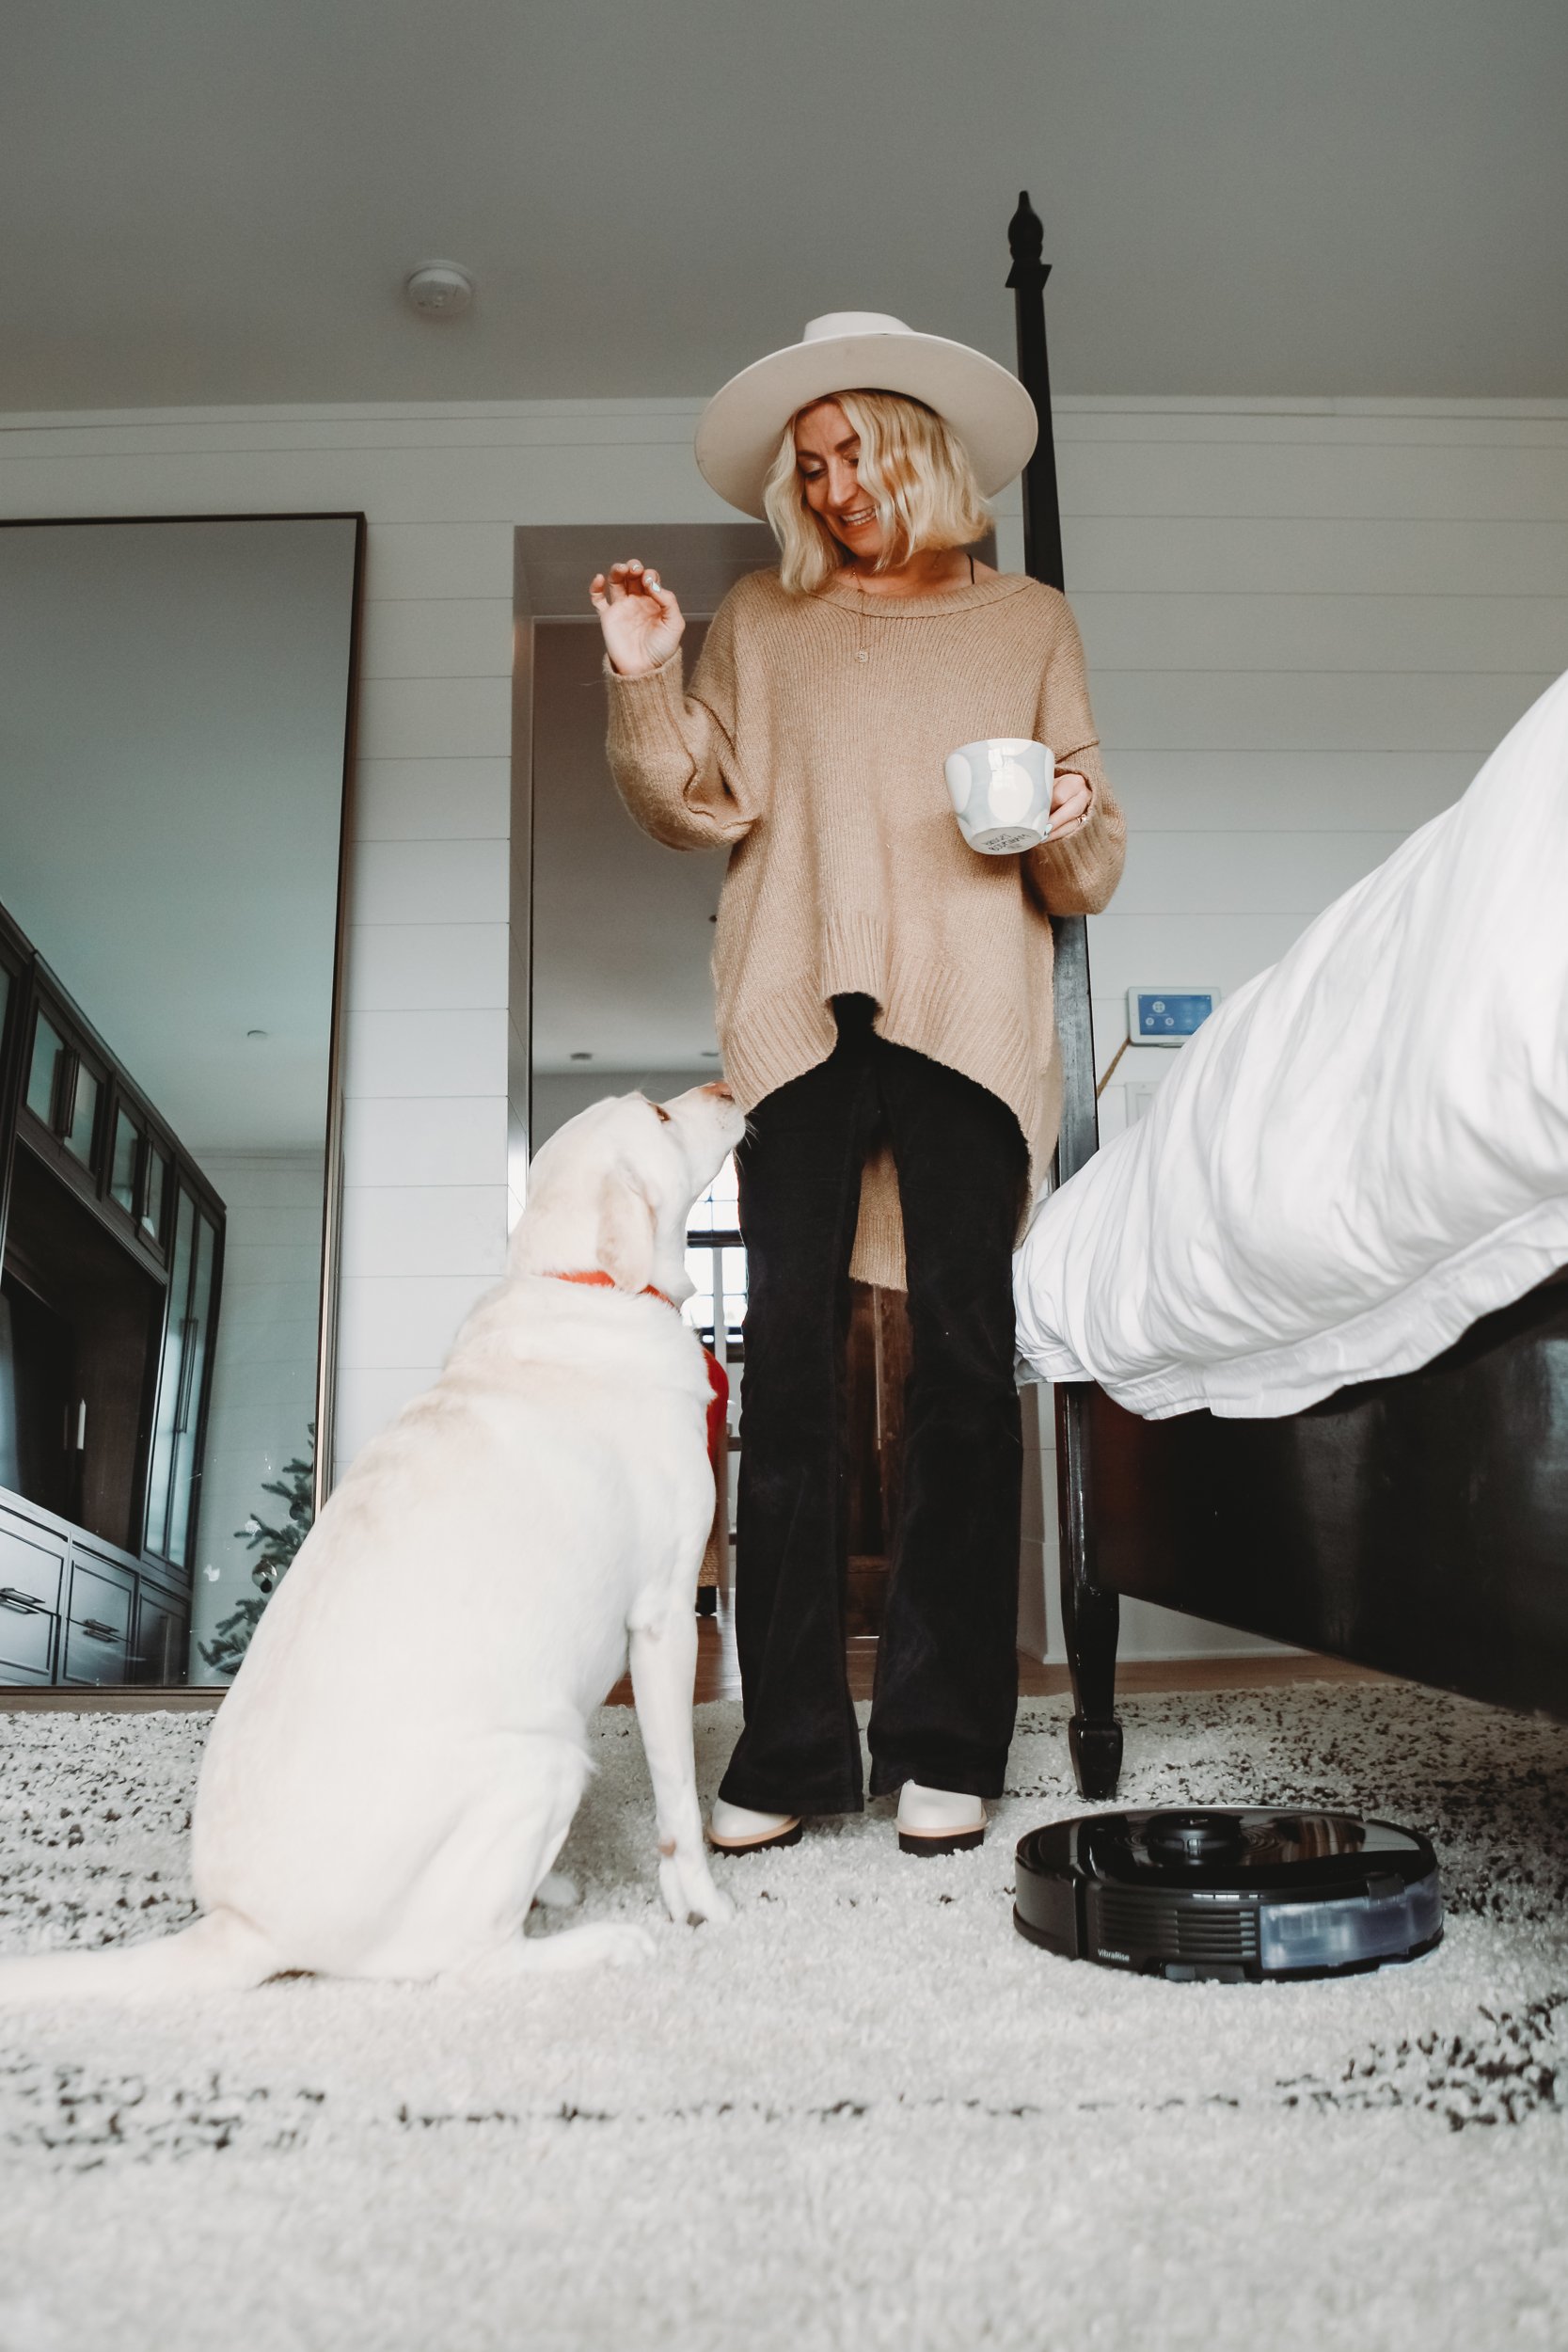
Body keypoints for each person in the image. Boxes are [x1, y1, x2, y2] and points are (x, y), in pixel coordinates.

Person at [590, 311, 1125, 1855]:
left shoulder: (1027, 620)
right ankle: (791, 1749)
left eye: (849, 458)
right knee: (794, 1370)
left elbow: (1085, 861)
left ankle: (950, 1740)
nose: (827, 490)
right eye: (806, 469)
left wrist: (1073, 806)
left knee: (967, 1365)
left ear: (917, 452)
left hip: (968, 1018)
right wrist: (646, 675)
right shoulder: (764, 620)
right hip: (795, 1015)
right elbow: (693, 799)